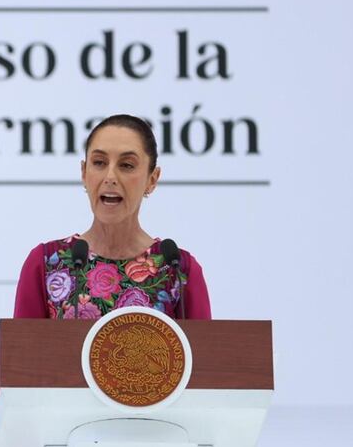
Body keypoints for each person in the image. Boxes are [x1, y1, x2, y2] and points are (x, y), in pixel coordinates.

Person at [13, 114, 211, 320]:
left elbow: (204, 342)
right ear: (84, 172)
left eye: (126, 165)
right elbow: (22, 341)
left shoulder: (178, 270)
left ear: (152, 179)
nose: (110, 177)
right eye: (99, 162)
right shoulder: (46, 264)